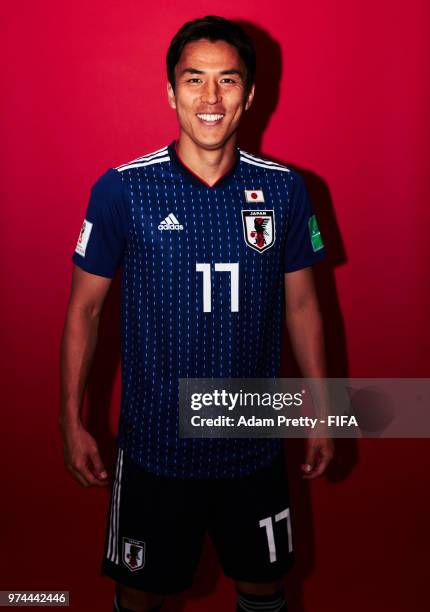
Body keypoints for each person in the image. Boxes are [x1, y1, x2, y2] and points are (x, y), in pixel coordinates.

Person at [59, 15, 334, 612]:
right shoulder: (122, 190)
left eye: (228, 81)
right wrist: (71, 417)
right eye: (194, 80)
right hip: (156, 447)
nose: (210, 99)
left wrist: (324, 408)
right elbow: (84, 311)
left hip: (252, 444)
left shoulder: (285, 190)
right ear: (170, 90)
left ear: (252, 94)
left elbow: (304, 303)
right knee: (140, 594)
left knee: (264, 587)